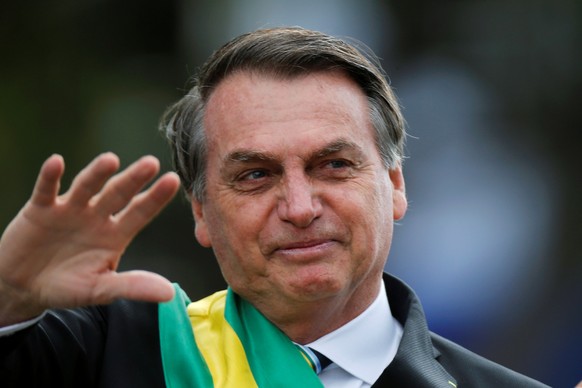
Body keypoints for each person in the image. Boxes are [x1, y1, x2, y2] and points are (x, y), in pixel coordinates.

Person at [0, 27, 547, 387]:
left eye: (333, 165)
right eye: (255, 176)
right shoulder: (105, 354)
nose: (301, 207)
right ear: (201, 213)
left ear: (396, 185)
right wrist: (8, 297)